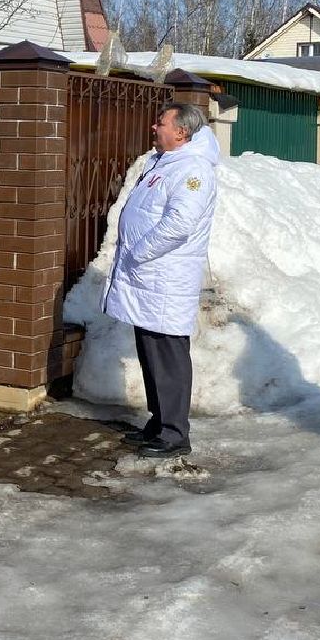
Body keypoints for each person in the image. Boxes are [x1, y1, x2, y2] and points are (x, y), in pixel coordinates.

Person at [102, 102, 220, 458]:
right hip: (147, 279)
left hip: (164, 278)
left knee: (167, 355)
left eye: (161, 123)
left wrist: (139, 252)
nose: (154, 127)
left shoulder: (193, 170)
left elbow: (178, 224)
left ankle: (174, 433)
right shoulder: (163, 163)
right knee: (150, 351)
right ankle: (159, 422)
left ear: (181, 132)